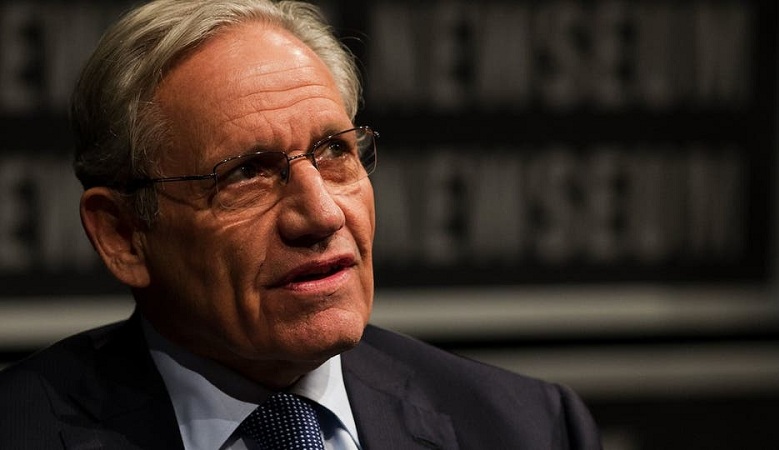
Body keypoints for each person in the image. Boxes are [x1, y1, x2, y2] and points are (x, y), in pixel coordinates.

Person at [0, 0, 602, 448]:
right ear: (123, 236)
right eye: (246, 173)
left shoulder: (527, 428)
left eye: (335, 151)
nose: (322, 214)